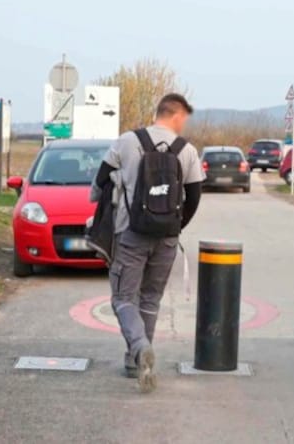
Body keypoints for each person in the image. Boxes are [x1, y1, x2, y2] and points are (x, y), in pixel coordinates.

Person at [90, 93, 204, 393]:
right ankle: (136, 363)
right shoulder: (187, 150)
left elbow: (100, 181)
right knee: (151, 299)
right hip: (167, 238)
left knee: (123, 298)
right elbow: (194, 197)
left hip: (131, 233)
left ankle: (139, 347)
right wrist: (175, 227)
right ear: (177, 115)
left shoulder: (127, 141)